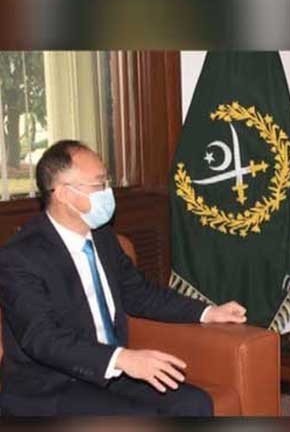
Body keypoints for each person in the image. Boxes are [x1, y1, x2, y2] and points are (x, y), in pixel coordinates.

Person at [0, 140, 247, 416]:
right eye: (99, 185)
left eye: (107, 182)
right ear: (64, 194)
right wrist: (122, 359)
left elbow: (139, 293)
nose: (108, 193)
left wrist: (207, 312)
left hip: (109, 371)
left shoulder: (102, 236)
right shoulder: (20, 256)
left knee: (194, 403)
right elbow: (42, 338)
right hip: (53, 384)